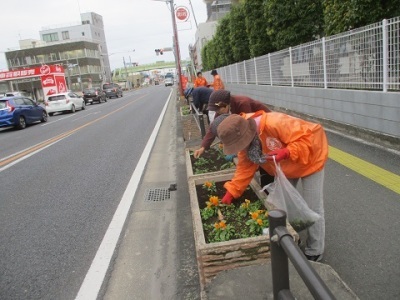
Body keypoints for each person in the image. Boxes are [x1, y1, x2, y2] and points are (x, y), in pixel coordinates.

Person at [216, 112, 329, 262]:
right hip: (287, 167)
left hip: (311, 160)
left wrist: (287, 151)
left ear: (247, 134)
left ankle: (315, 249)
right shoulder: (249, 144)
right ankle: (290, 237)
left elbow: (310, 137)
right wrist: (232, 191)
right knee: (281, 205)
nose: (241, 148)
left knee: (313, 207)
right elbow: (245, 167)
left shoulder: (274, 123)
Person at [194, 89, 274, 188]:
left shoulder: (242, 104)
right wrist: (203, 147)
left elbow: (249, 133)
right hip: (255, 130)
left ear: (226, 105)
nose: (217, 112)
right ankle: (266, 186)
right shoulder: (222, 108)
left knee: (265, 158)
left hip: (265, 129)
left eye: (218, 110)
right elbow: (214, 127)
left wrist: (246, 154)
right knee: (256, 158)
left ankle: (268, 187)